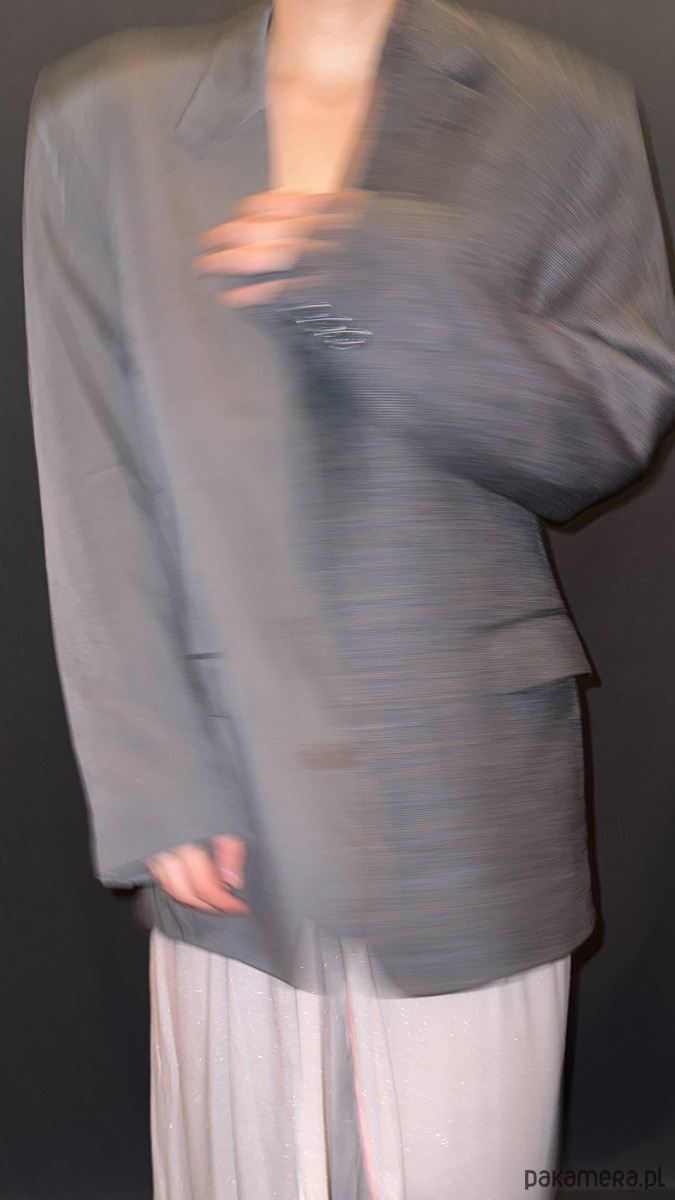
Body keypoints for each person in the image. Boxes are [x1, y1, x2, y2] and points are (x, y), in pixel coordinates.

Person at [22, 0, 675, 1196]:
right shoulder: (103, 121)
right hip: (228, 794)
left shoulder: (567, 109)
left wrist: (371, 278)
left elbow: (606, 429)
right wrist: (149, 766)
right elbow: (94, 469)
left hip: (469, 795)